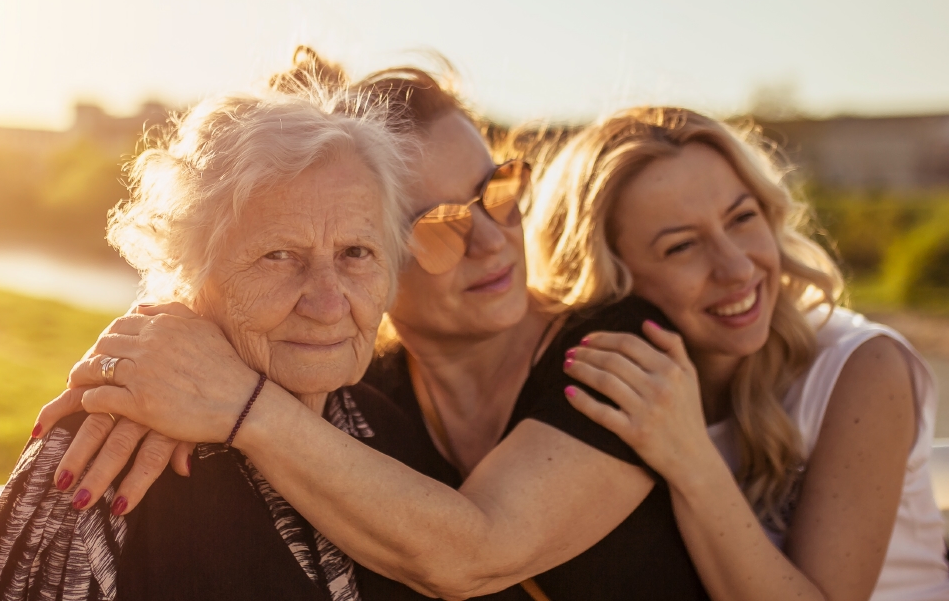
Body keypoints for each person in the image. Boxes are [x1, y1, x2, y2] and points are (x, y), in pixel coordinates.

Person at [52, 50, 709, 600]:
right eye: (439, 224)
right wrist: (162, 352)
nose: (492, 240)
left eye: (498, 191)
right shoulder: (370, 399)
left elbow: (473, 555)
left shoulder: (615, 347)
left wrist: (238, 406)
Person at [0, 81, 444, 600]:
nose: (328, 303)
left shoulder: (388, 428)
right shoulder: (103, 452)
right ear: (188, 276)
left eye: (356, 252)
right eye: (278, 255)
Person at [527, 106, 949, 600]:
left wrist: (689, 459)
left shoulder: (862, 369)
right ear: (609, 282)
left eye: (742, 218)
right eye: (682, 246)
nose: (735, 266)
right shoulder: (604, 389)